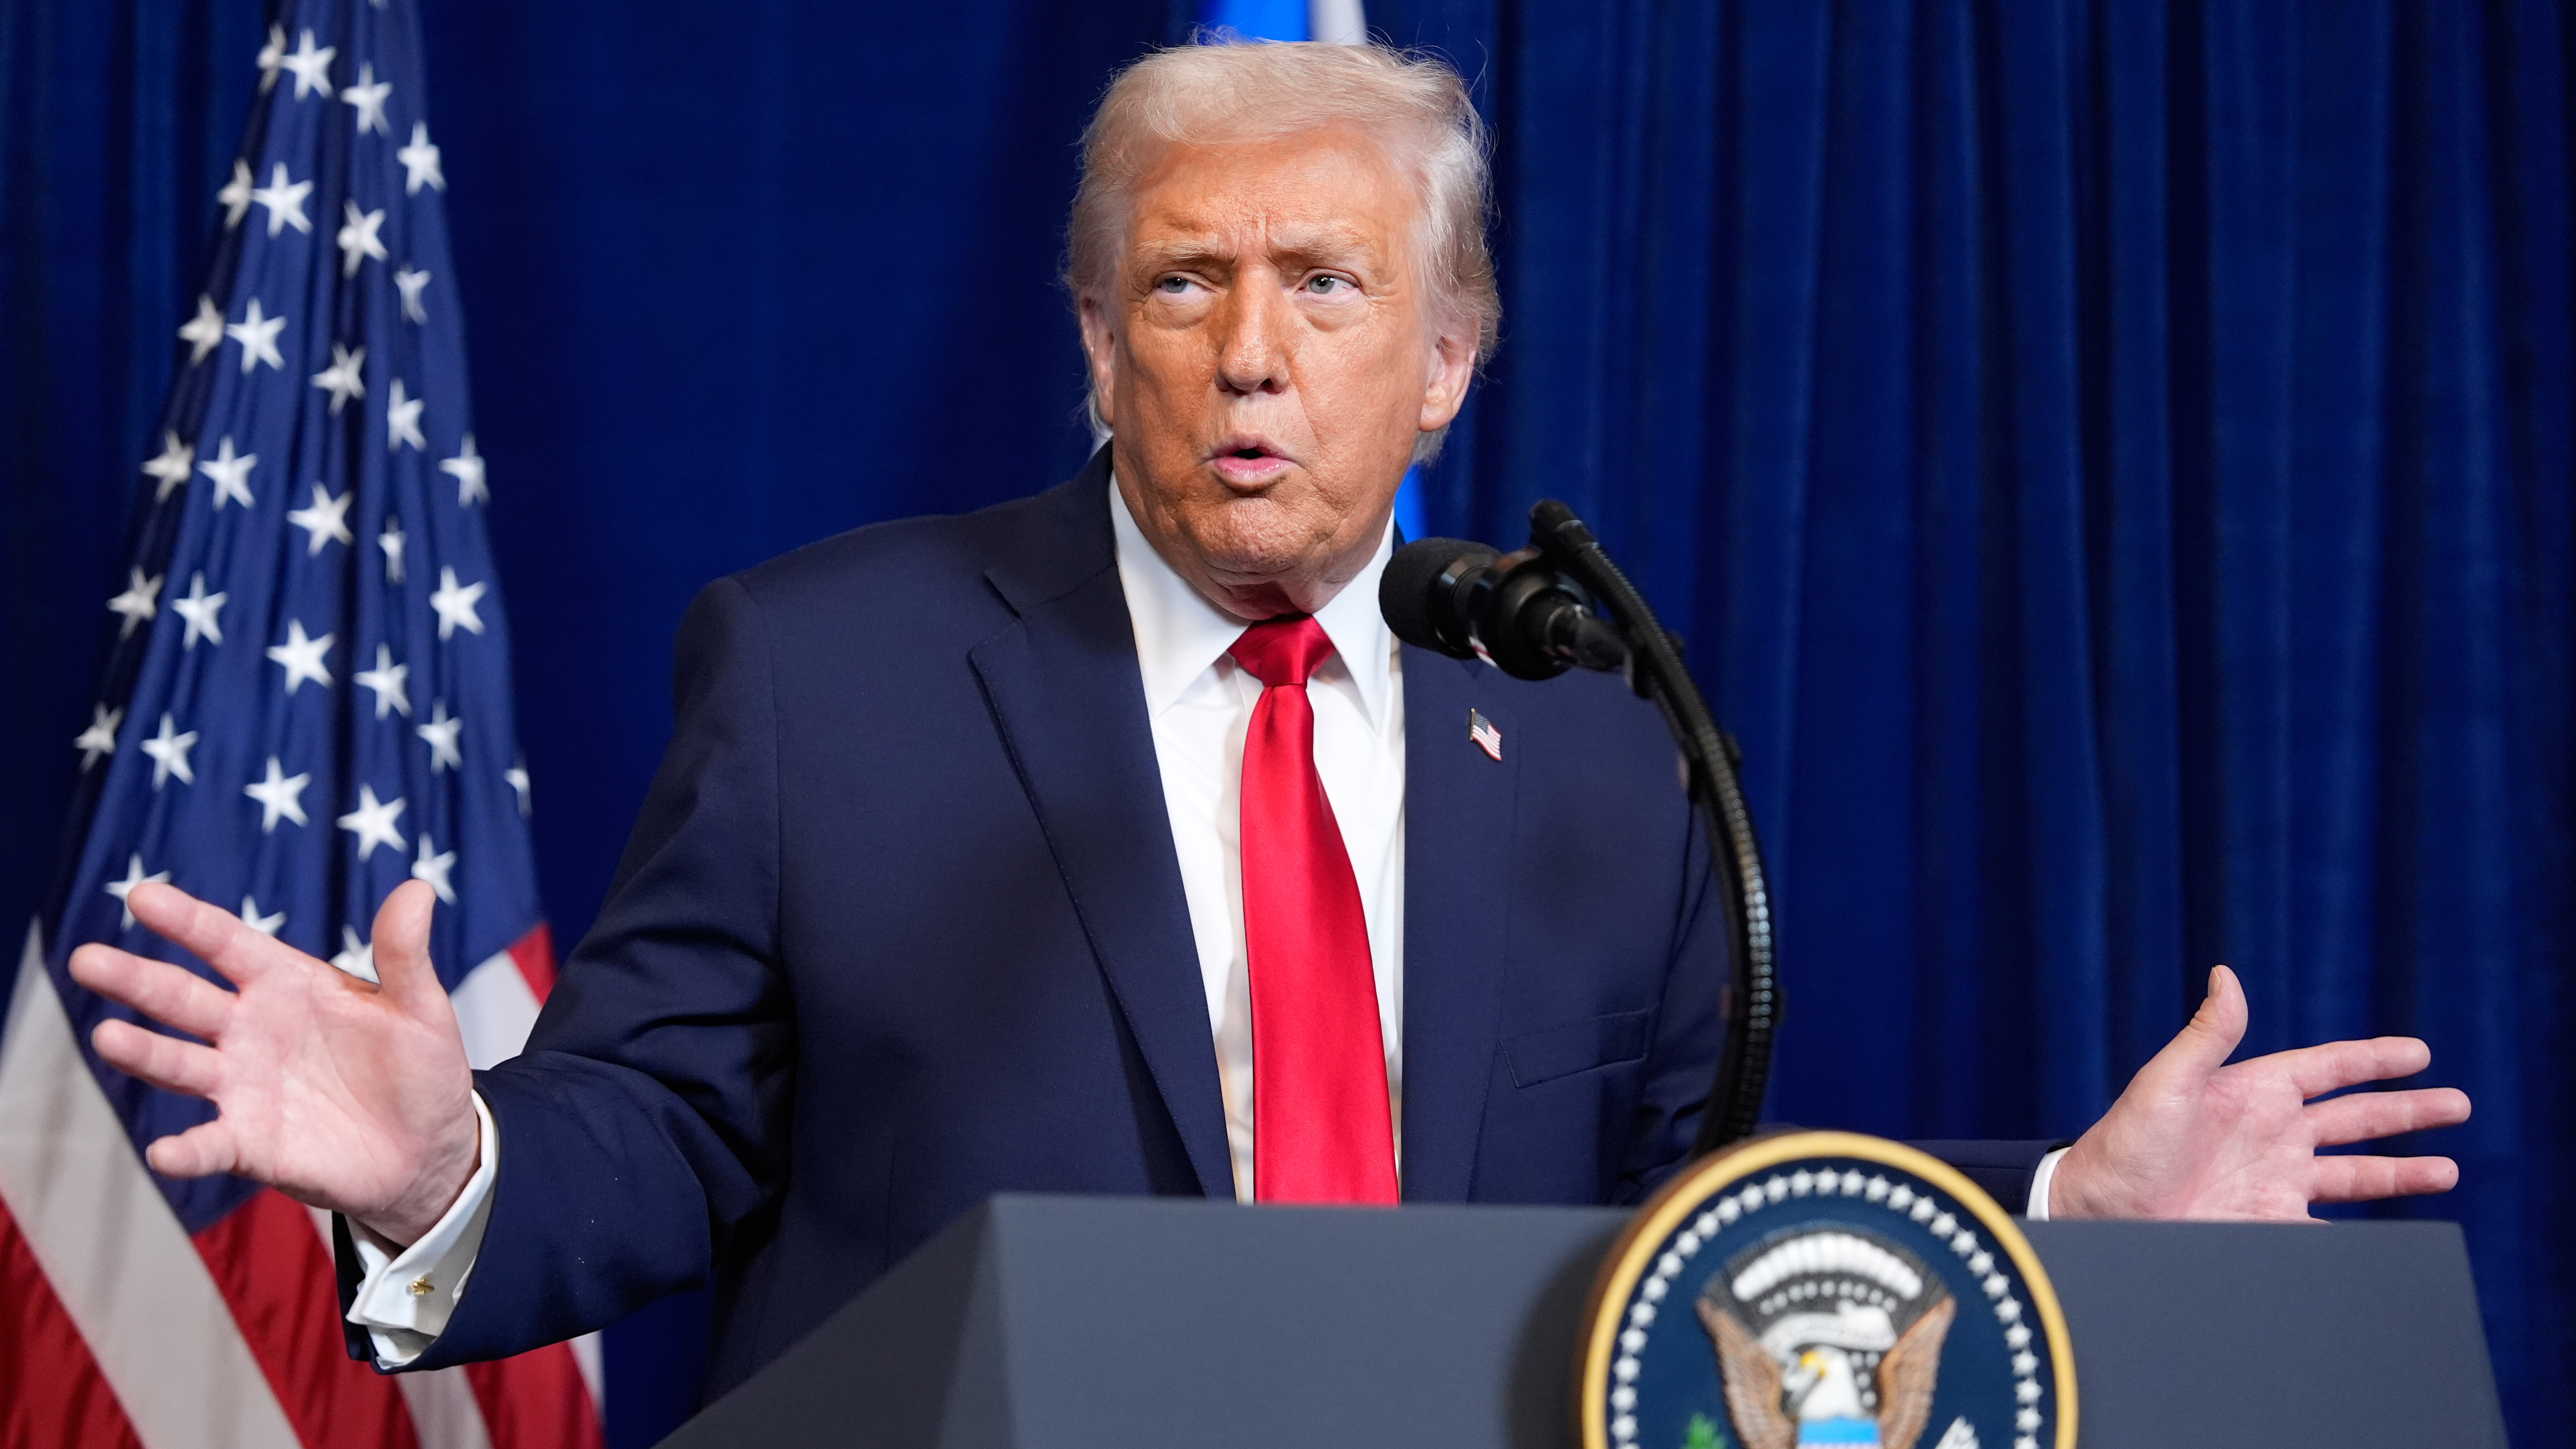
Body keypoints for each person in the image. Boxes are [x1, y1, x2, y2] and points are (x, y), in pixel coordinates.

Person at [69, 39, 2470, 1397]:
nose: (1246, 354)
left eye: (1323, 284)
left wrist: (2056, 1219)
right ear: (1093, 342)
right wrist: (444, 1166)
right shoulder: (828, 675)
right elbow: (662, 1136)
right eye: (1181, 284)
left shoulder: (1598, 757)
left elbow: (1672, 1254)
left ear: (1446, 362)